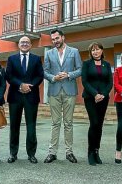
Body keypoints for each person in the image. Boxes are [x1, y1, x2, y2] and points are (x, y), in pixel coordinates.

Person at [43, 29, 82, 163]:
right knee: (55, 123)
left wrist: (69, 75)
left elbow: (80, 69)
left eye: (57, 38)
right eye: (53, 39)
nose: (55, 41)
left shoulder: (74, 51)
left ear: (63, 37)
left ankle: (69, 152)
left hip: (69, 90)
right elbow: (45, 71)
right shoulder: (48, 53)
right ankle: (52, 152)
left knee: (68, 123)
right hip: (54, 90)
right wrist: (53, 77)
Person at [6, 36, 44, 163]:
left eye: (27, 42)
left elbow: (40, 75)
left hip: (31, 96)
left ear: (30, 45)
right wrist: (20, 85)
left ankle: (31, 154)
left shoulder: (36, 59)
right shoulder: (11, 59)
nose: (24, 44)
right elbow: (9, 76)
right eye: (22, 42)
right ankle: (13, 153)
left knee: (31, 126)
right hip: (15, 96)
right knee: (14, 126)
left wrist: (29, 86)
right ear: (18, 45)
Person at [81, 42, 112, 166]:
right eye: (93, 50)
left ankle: (96, 151)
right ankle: (90, 153)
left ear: (102, 51)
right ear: (91, 52)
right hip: (90, 97)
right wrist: (95, 94)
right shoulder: (87, 64)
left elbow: (110, 82)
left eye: (97, 49)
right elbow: (84, 81)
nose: (95, 52)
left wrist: (103, 94)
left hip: (103, 98)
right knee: (93, 123)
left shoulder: (107, 64)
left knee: (99, 125)